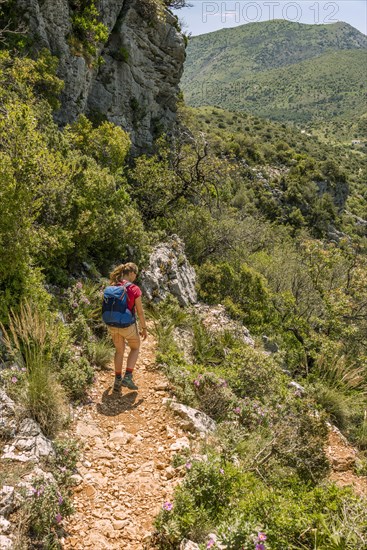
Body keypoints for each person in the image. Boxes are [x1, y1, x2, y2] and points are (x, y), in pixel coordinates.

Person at [107, 262, 147, 391]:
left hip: (112, 325)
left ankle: (117, 380)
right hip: (128, 326)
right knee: (135, 348)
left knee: (119, 351)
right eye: (135, 274)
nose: (136, 277)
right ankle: (128, 376)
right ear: (131, 273)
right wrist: (144, 328)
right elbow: (140, 311)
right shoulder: (134, 289)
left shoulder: (113, 286)